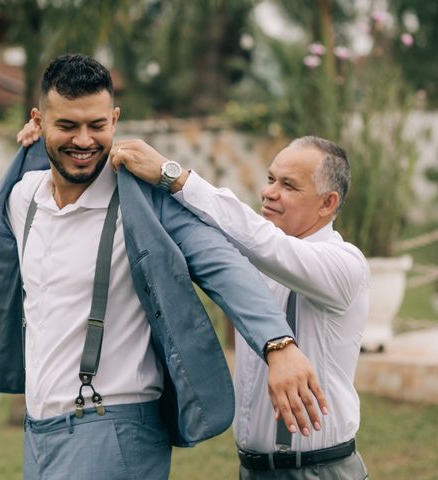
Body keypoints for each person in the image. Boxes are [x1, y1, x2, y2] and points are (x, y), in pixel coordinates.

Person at [0, 54, 327, 480]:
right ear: (38, 122)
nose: (83, 140)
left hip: (117, 430)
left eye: (97, 125)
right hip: (41, 432)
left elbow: (222, 263)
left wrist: (277, 343)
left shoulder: (145, 201)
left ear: (114, 119)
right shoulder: (24, 197)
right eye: (67, 126)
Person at [104, 136, 370, 479]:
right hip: (251, 470)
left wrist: (172, 176)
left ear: (327, 203)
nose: (269, 192)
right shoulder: (252, 258)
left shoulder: (344, 265)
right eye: (271, 178)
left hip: (317, 471)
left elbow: (262, 241)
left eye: (288, 185)